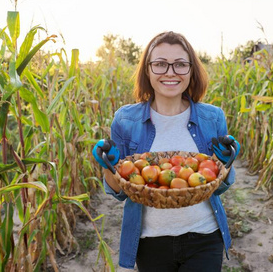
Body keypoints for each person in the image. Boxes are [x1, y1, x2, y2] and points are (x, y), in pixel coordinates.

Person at [92, 31, 240, 271]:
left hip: (204, 235)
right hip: (150, 240)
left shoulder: (212, 118)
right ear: (147, 70)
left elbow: (219, 185)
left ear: (191, 70)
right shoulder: (125, 120)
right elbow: (119, 191)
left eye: (180, 64)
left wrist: (227, 162)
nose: (170, 72)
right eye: (160, 64)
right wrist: (109, 165)